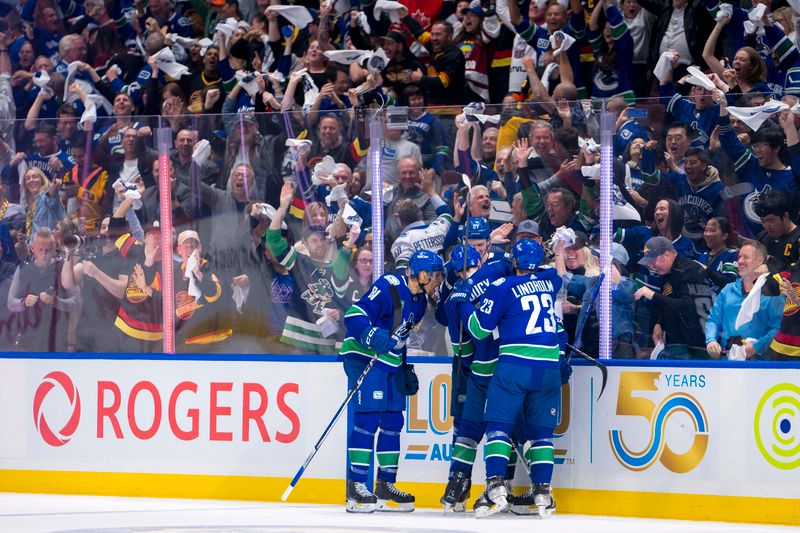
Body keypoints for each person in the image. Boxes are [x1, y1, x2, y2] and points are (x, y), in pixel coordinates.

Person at [450, 239, 562, 518]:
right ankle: (543, 494)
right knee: (541, 435)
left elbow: (477, 330)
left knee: (498, 427)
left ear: (514, 264)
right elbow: (554, 274)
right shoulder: (550, 283)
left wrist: (464, 302)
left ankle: (496, 487)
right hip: (549, 368)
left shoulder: (503, 288)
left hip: (514, 365)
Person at [340, 249, 444, 513]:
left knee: (393, 421)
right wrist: (372, 335)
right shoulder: (389, 286)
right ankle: (356, 487)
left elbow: (402, 335)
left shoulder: (421, 302)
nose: (439, 281)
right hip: (365, 357)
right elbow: (353, 316)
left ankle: (385, 484)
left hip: (390, 362)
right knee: (367, 420)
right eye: (436, 276)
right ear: (422, 274)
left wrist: (405, 364)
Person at [634, 236, 716, 359]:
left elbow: (689, 306)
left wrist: (653, 295)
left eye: (653, 261)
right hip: (677, 342)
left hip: (696, 346)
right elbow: (670, 300)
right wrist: (659, 323)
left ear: (667, 255)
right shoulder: (667, 273)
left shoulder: (691, 270)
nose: (652, 266)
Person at [705, 241, 783, 360]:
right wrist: (711, 340)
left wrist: (757, 346)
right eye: (739, 256)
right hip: (728, 358)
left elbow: (778, 327)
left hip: (760, 363)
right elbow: (713, 320)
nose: (740, 261)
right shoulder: (728, 290)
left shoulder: (773, 293)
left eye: (746, 257)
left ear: (760, 260)